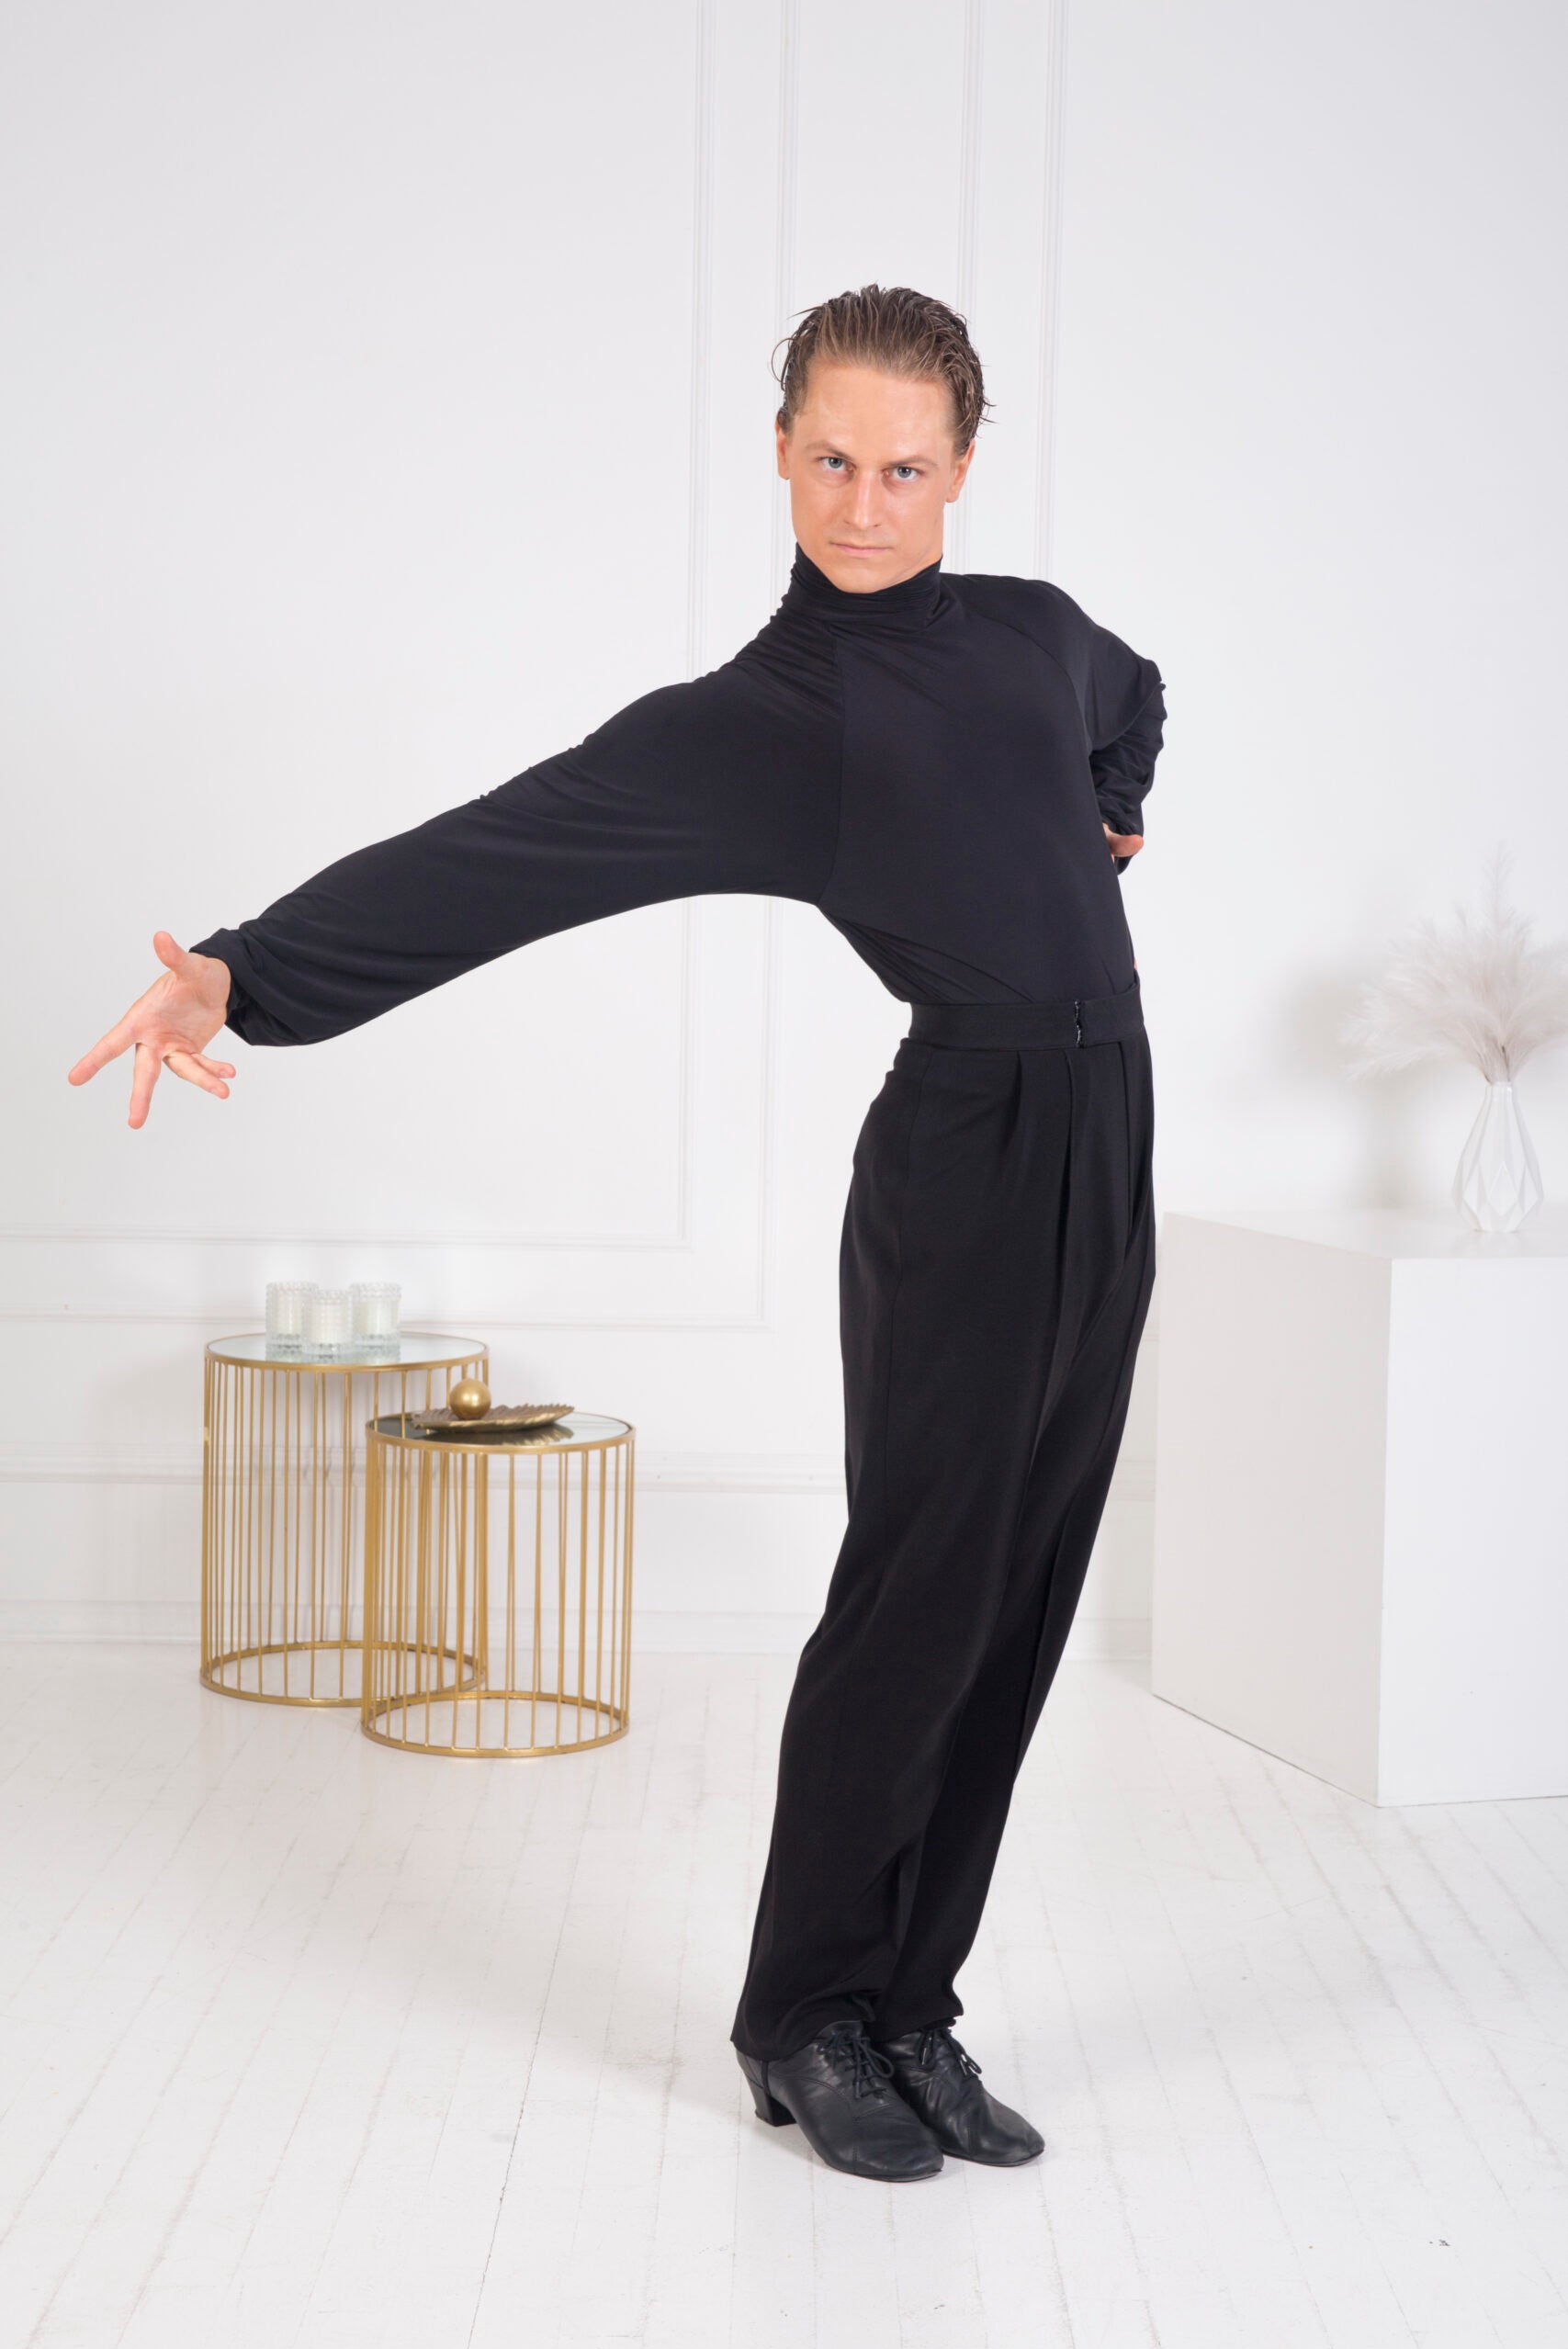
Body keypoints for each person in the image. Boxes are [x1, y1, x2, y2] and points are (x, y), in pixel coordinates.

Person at [68, 283, 1165, 2185]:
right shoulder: (771, 719)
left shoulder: (1038, 633)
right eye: (832, 459)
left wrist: (1112, 804)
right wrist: (245, 972)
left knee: (1024, 1587)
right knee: (919, 1589)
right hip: (967, 1153)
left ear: (964, 467)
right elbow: (502, 852)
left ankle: (914, 2003)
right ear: (780, 452)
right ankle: (804, 2012)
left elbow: (1131, 695)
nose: (866, 503)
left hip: (1113, 1137)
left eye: (905, 469)